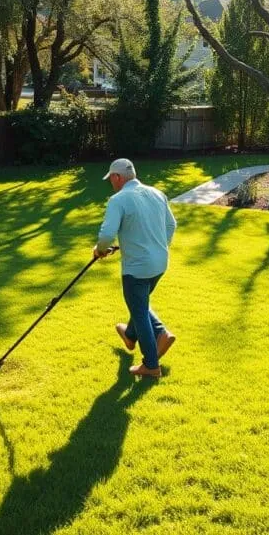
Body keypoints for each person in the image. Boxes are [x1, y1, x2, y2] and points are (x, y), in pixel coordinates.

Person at [95, 158, 177, 378]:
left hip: (137, 268)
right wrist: (158, 248)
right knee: (139, 302)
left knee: (139, 310)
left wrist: (100, 250)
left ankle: (152, 363)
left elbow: (106, 234)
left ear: (117, 177)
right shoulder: (156, 193)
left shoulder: (118, 199)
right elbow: (171, 225)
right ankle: (130, 335)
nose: (111, 183)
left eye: (111, 178)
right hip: (160, 263)